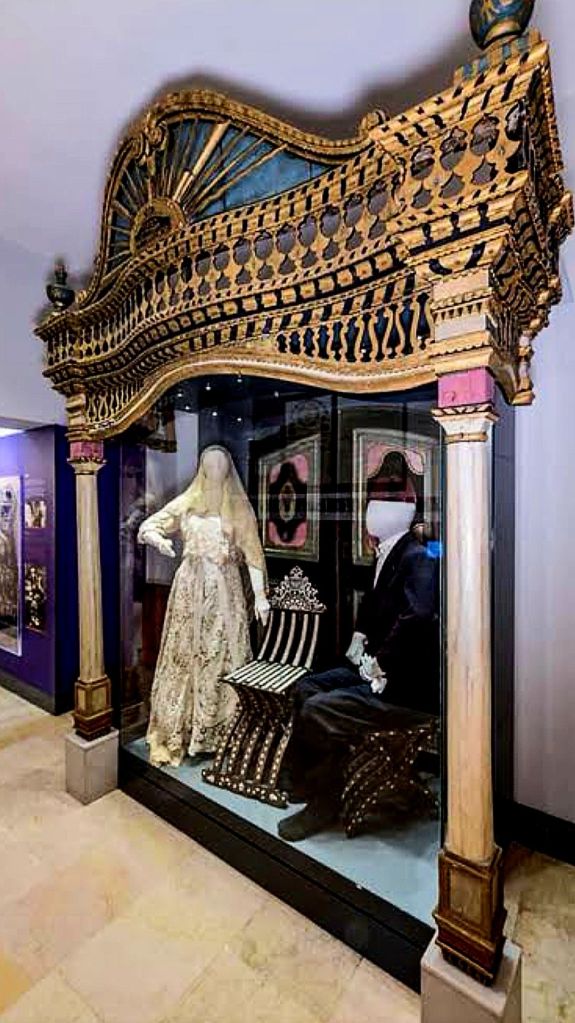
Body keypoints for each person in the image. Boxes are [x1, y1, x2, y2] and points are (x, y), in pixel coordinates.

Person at [278, 458, 439, 842]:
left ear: (399, 517)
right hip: (373, 669)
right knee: (306, 687)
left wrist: (382, 662)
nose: (370, 514)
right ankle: (302, 778)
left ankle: (324, 802)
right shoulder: (386, 553)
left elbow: (419, 616)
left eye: (377, 508)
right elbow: (375, 605)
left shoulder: (417, 556)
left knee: (320, 710)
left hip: (405, 688)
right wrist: (360, 636)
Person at [138, 445, 269, 766]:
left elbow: (252, 553)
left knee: (220, 651)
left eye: (220, 464)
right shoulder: (188, 501)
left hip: (223, 590)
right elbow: (147, 526)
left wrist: (261, 595)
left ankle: (217, 730)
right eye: (209, 464)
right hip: (189, 586)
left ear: (227, 469)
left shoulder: (236, 506)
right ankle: (179, 728)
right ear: (202, 467)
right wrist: (158, 540)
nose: (215, 469)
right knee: (184, 652)